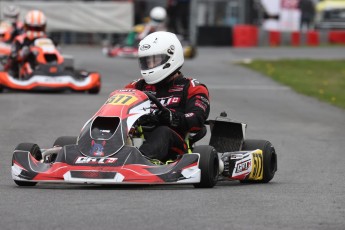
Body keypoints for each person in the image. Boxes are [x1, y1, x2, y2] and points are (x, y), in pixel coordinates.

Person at [125, 31, 210, 162]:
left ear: (171, 57)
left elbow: (197, 120)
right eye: (146, 61)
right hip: (137, 138)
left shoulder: (192, 87)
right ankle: (95, 156)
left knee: (163, 131)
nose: (150, 65)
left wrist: (171, 117)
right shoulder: (136, 86)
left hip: (174, 145)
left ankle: (137, 162)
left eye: (155, 60)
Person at [5, 10, 47, 78]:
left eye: (38, 28)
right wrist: (22, 53)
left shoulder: (47, 39)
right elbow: (12, 57)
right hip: (24, 70)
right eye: (32, 28)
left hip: (45, 67)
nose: (34, 30)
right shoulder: (20, 40)